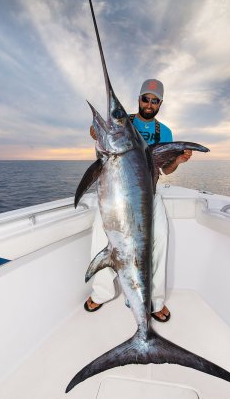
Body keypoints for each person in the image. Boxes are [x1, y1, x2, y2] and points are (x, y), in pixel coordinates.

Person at [85, 79, 192, 322]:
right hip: (115, 195)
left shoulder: (164, 132)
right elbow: (105, 146)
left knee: (161, 239)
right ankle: (101, 292)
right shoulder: (124, 122)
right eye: (146, 98)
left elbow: (165, 170)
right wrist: (96, 133)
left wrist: (177, 161)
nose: (150, 104)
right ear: (139, 99)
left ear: (160, 103)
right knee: (100, 236)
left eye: (155, 101)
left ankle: (154, 301)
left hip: (148, 195)